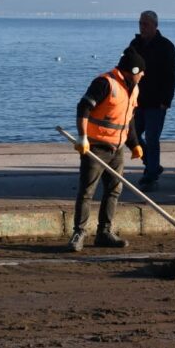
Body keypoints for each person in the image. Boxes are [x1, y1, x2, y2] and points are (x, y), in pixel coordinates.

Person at [68, 47, 145, 253]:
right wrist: (82, 137)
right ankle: (79, 232)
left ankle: (104, 232)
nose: (143, 75)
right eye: (141, 71)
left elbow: (129, 119)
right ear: (132, 70)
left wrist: (135, 143)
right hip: (95, 147)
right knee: (87, 191)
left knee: (113, 190)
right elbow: (83, 107)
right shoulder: (105, 83)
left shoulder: (134, 88)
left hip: (117, 148)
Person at [128, 10, 175, 191]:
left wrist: (166, 100)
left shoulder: (166, 46)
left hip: (157, 102)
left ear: (155, 26)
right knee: (130, 135)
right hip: (137, 100)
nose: (142, 27)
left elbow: (171, 75)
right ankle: (152, 164)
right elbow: (126, 69)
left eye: (145, 24)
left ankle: (150, 175)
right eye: (140, 23)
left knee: (152, 137)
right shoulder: (135, 44)